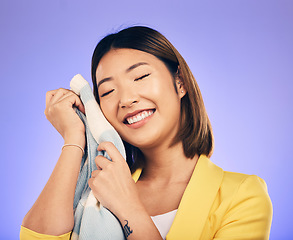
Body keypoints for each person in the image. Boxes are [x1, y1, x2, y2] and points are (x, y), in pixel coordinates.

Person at [20, 26, 273, 240]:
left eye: (140, 77)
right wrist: (74, 138)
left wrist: (128, 206)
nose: (126, 99)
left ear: (180, 82)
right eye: (107, 92)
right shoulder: (98, 186)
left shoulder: (243, 195)